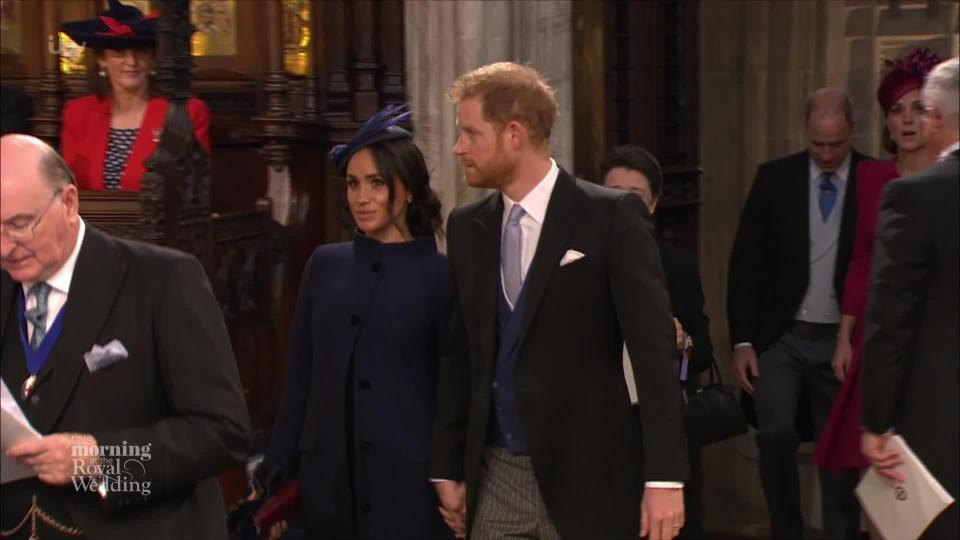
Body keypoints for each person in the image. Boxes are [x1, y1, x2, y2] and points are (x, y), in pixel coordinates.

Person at [431, 62, 687, 540]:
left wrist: (665, 477)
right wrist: (447, 465)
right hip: (495, 475)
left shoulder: (610, 216)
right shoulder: (468, 227)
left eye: (470, 132)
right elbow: (461, 354)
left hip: (588, 478)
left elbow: (653, 353)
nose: (458, 147)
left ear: (514, 134)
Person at [0, 134, 249, 539]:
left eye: (19, 225)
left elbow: (222, 435)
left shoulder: (163, 281)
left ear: (68, 203)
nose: (5, 247)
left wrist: (100, 461)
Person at [259, 104, 450, 539]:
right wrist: (276, 470)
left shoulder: (441, 276)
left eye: (376, 183)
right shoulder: (325, 265)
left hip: (407, 490)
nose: (361, 197)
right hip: (325, 486)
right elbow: (300, 378)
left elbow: (449, 394)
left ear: (409, 191)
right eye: (353, 184)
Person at [727, 88, 870, 540]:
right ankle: (786, 530)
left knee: (837, 451)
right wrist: (744, 341)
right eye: (817, 144)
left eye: (836, 144)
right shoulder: (775, 179)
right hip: (782, 336)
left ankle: (842, 532)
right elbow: (745, 263)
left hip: (842, 340)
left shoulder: (873, 178)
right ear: (805, 134)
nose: (826, 154)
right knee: (774, 432)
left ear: (852, 133)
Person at [816, 48, 941, 474]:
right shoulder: (872, 177)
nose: (906, 120)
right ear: (886, 120)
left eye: (917, 108)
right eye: (896, 110)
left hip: (935, 331)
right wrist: (845, 336)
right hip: (880, 330)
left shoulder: (949, 181)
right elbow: (862, 258)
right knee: (873, 455)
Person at [860, 57, 959, 540]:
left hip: (937, 423)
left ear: (935, 119)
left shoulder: (914, 197)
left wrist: (877, 423)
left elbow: (889, 322)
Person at [600, 144, 715, 539]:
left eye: (633, 197)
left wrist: (681, 343)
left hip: (656, 419)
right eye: (611, 193)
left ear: (652, 204)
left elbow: (702, 351)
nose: (620, 205)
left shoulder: (676, 266)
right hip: (598, 418)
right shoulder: (580, 261)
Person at [59, 0, 211, 191]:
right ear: (101, 60)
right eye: (119, 53)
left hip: (159, 220)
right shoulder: (78, 112)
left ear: (152, 58)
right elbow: (68, 186)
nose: (132, 61)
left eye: (141, 51)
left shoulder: (188, 111)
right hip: (93, 218)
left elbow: (193, 187)